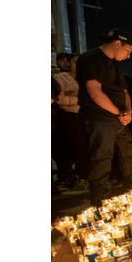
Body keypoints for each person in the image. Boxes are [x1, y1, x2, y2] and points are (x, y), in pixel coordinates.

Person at [75, 29, 132, 206]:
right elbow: (95, 92)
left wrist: (128, 112)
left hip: (119, 118)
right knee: (102, 157)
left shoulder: (116, 64)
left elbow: (124, 91)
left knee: (128, 154)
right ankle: (100, 196)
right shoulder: (91, 59)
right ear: (117, 43)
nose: (128, 56)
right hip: (100, 118)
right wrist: (118, 112)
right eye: (128, 51)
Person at [53, 53, 89, 187]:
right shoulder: (60, 78)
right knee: (76, 147)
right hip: (70, 116)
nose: (78, 65)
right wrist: (78, 97)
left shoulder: (86, 78)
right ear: (69, 63)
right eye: (75, 62)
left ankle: (84, 174)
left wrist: (75, 94)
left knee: (87, 147)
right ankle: (78, 176)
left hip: (86, 115)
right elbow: (58, 99)